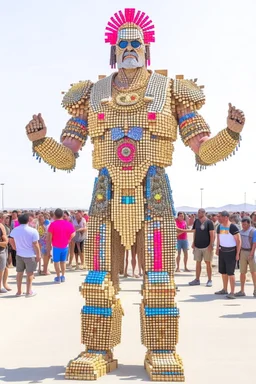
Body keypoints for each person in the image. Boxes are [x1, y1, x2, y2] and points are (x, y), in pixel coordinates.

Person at [25, 6, 245, 379]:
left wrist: (231, 133)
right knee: (97, 278)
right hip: (105, 195)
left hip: (154, 195)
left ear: (147, 49)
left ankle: (161, 351)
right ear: (113, 49)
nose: (130, 48)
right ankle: (97, 349)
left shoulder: (170, 91)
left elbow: (202, 148)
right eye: (123, 43)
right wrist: (42, 141)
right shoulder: (91, 95)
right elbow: (67, 156)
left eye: (136, 43)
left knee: (159, 278)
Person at [9, 213, 41, 297]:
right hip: (30, 255)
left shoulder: (15, 230)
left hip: (19, 254)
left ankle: (19, 291)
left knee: (19, 273)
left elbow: (10, 239)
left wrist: (14, 247)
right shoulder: (33, 231)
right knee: (30, 273)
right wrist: (38, 255)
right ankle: (28, 291)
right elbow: (36, 244)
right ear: (28, 220)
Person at [215, 211, 241, 299]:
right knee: (223, 272)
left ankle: (232, 292)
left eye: (221, 217)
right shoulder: (219, 226)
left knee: (230, 273)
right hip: (222, 251)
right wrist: (217, 248)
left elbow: (239, 241)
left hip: (231, 252)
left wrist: (237, 254)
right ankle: (224, 289)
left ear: (226, 217)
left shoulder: (232, 227)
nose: (219, 218)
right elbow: (218, 238)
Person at [47, 208, 75, 283]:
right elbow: (73, 233)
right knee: (63, 262)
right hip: (65, 246)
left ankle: (58, 277)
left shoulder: (52, 224)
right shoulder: (68, 224)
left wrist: (48, 248)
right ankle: (63, 276)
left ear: (55, 215)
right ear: (62, 215)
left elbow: (49, 237)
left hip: (56, 247)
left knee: (56, 262)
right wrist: (68, 240)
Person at [189, 208, 215, 287]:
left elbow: (212, 234)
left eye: (199, 212)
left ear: (203, 213)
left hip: (207, 246)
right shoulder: (196, 221)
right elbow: (195, 232)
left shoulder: (209, 222)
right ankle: (197, 279)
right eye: (198, 212)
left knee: (208, 263)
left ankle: (209, 280)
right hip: (197, 246)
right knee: (198, 263)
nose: (198, 214)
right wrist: (193, 242)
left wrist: (211, 245)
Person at [235, 217, 256, 297]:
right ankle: (242, 290)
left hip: (251, 252)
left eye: (245, 224)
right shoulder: (241, 232)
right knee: (242, 272)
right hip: (243, 252)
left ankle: (255, 289)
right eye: (242, 224)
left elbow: (254, 243)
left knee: (253, 272)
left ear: (249, 223)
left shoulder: (253, 231)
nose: (243, 226)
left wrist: (251, 254)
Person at [0, 219, 8, 293]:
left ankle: (2, 285)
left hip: (1, 251)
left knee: (2, 269)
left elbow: (5, 242)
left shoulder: (1, 226)